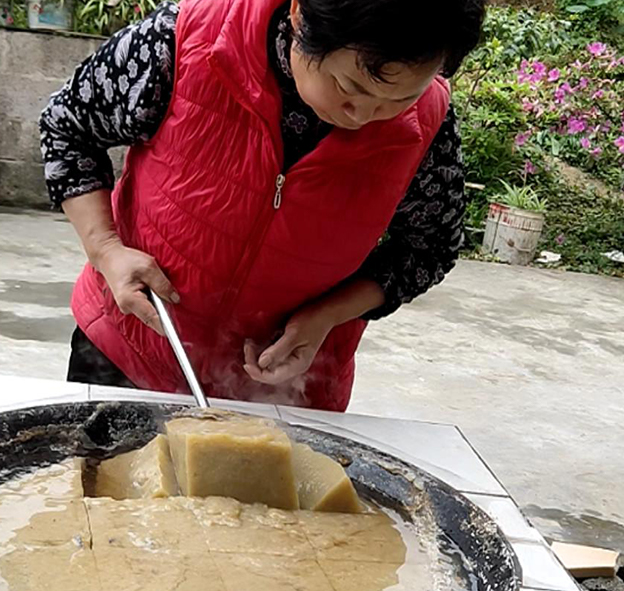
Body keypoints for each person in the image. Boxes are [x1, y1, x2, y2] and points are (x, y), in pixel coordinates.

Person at [40, 0, 484, 410]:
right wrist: (106, 250)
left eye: (400, 99)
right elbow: (68, 124)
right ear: (300, 17)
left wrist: (326, 317)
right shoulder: (184, 38)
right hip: (130, 351)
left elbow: (429, 248)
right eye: (349, 87)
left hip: (285, 390)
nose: (365, 116)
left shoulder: (428, 122)